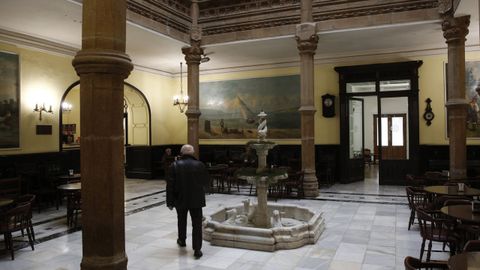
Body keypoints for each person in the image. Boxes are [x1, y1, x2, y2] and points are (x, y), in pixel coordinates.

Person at [166, 144, 210, 259]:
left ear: (181, 153)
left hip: (180, 199)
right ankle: (197, 249)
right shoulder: (200, 165)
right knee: (197, 224)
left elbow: (170, 186)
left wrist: (170, 202)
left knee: (181, 220)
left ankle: (182, 240)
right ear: (192, 153)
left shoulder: (174, 165)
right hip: (196, 200)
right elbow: (205, 182)